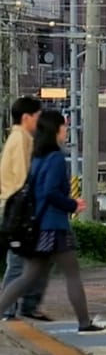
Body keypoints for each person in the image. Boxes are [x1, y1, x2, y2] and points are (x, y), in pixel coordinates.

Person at [0, 110, 105, 332]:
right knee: (72, 273)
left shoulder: (37, 158)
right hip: (54, 227)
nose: (66, 130)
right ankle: (84, 322)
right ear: (55, 129)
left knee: (28, 277)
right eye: (64, 126)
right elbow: (50, 192)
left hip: (37, 226)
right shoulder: (56, 158)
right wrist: (72, 204)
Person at [0, 96, 53, 321]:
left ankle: (23, 306)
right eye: (38, 117)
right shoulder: (21, 139)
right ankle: (10, 308)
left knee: (30, 259)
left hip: (15, 208)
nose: (39, 122)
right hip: (19, 211)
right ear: (26, 117)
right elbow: (24, 178)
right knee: (20, 261)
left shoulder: (17, 137)